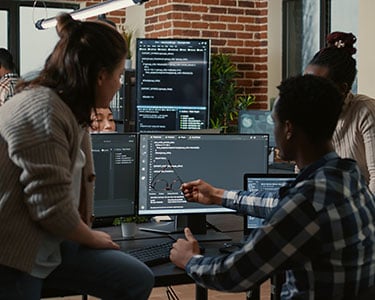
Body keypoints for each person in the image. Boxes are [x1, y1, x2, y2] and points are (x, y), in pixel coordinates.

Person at [170, 75, 375, 299]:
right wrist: (217, 195)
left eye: (274, 122)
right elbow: (279, 204)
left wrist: (189, 260)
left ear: (288, 128)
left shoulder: (307, 202)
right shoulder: (349, 175)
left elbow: (234, 273)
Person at [0, 13, 153, 300]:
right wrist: (93, 237)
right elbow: (50, 209)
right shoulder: (42, 108)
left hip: (54, 241)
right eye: (119, 76)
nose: (120, 85)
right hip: (14, 252)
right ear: (99, 76)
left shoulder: (70, 110)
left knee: (136, 279)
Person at [304, 31, 375, 194]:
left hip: (361, 210)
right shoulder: (311, 114)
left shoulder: (366, 111)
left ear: (342, 89)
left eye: (318, 86)